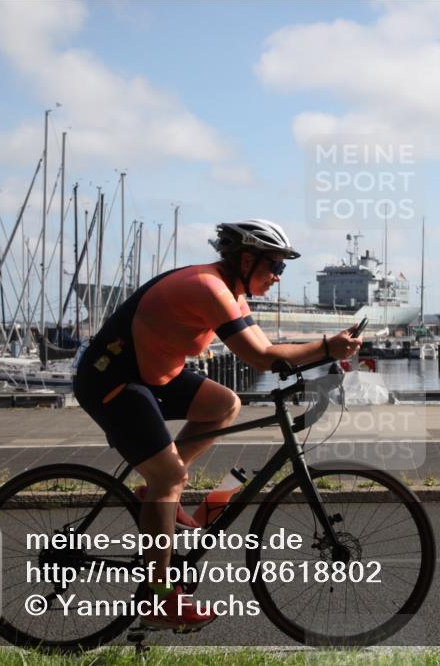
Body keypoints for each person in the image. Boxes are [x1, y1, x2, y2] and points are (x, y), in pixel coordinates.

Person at [72, 219, 362, 631]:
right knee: (170, 475)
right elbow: (260, 357)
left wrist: (325, 359)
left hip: (153, 376)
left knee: (225, 404)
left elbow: (271, 352)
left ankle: (151, 491)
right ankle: (159, 599)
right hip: (111, 377)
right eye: (274, 267)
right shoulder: (210, 288)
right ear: (246, 259)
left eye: (283, 270)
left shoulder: (232, 292)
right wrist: (328, 347)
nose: (278, 277)